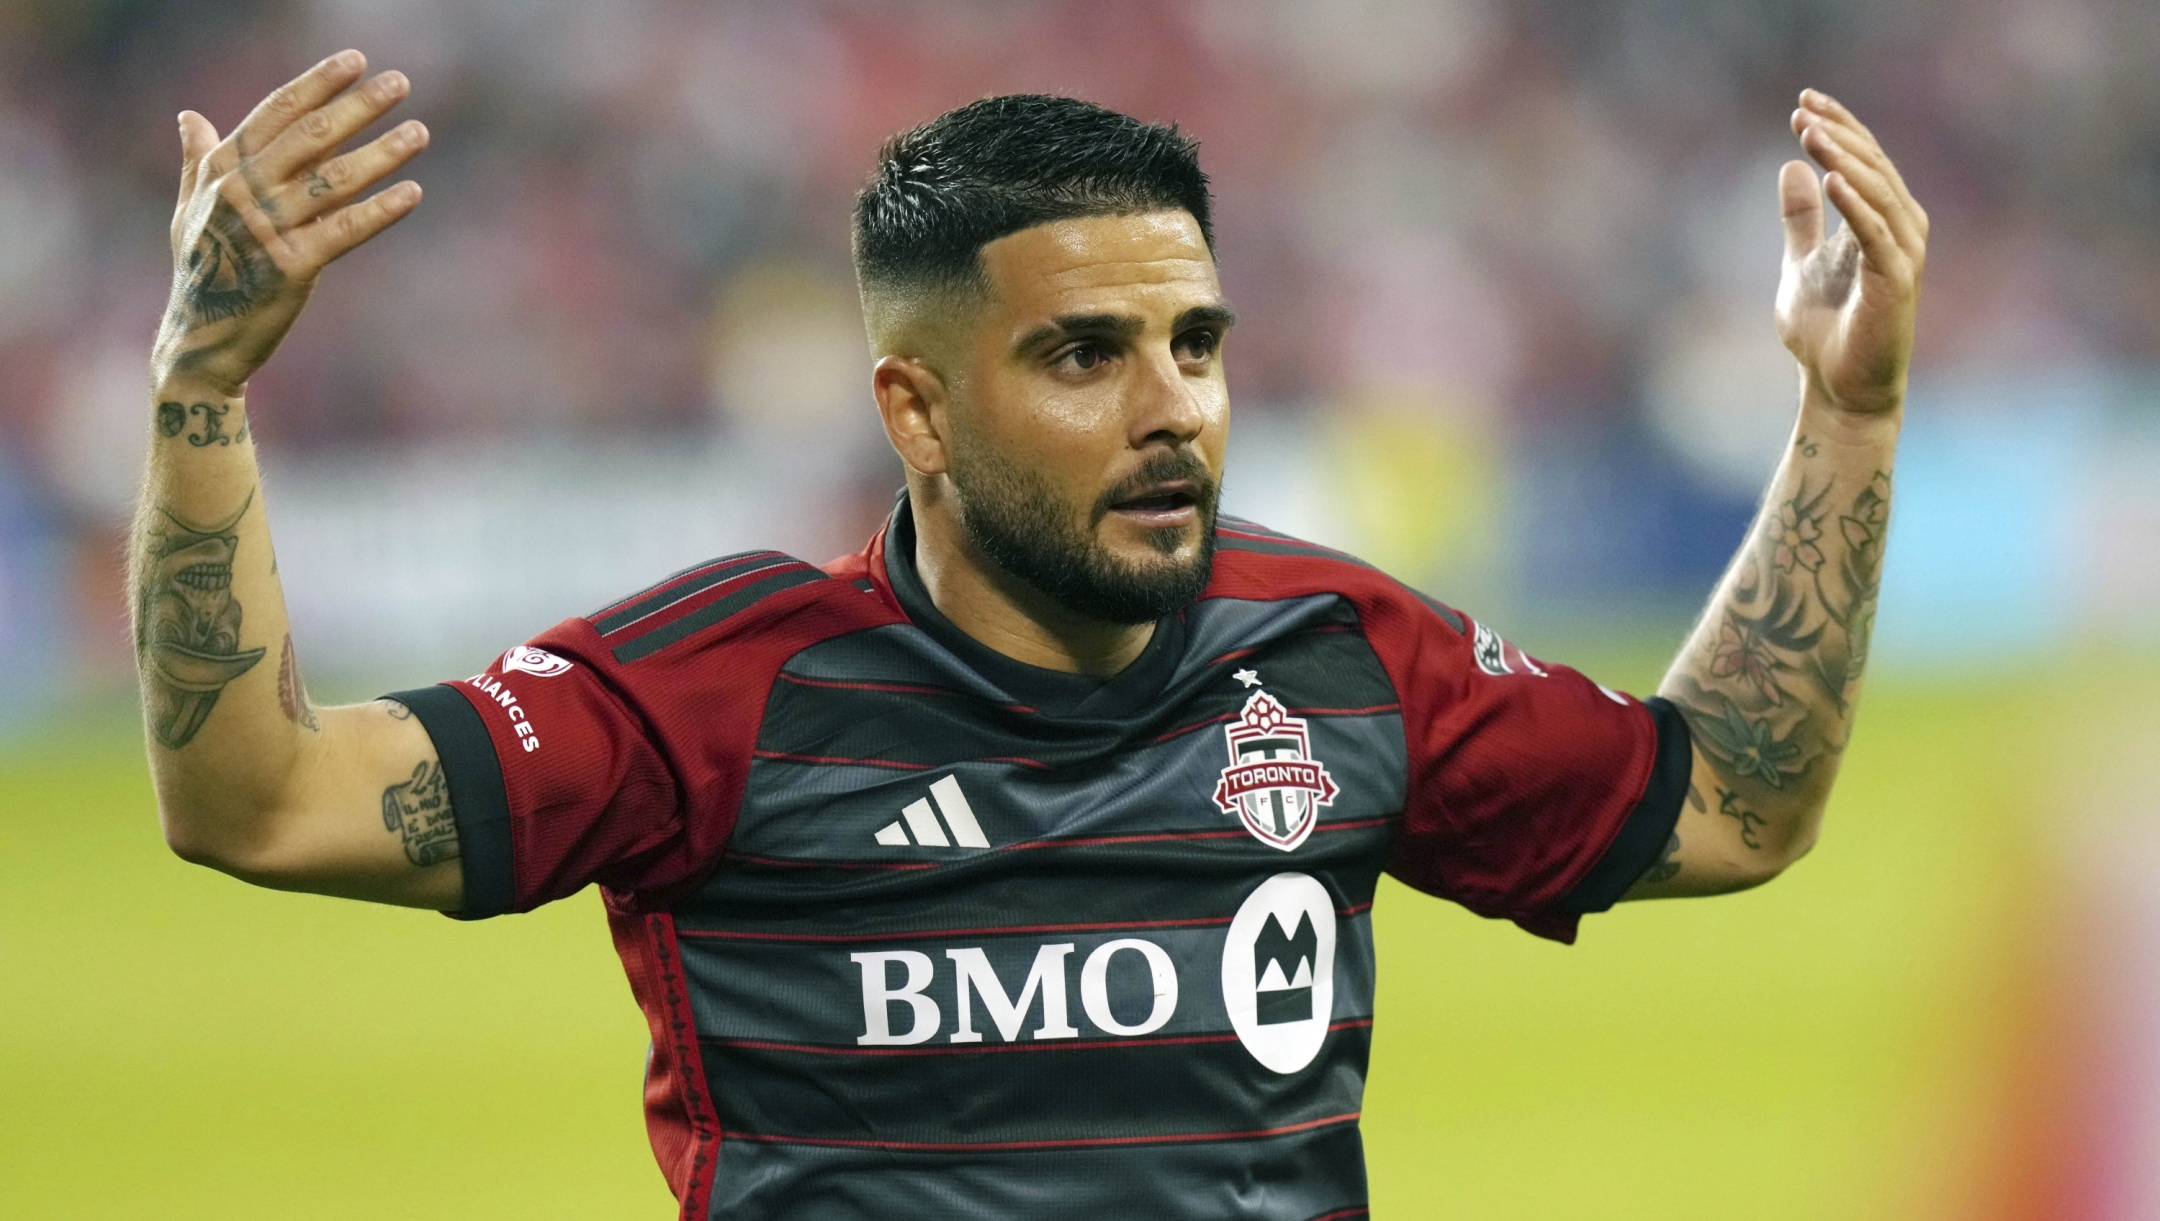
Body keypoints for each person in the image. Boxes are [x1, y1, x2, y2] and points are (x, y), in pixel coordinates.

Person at [136, 49, 1926, 1220]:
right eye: (1085, 354)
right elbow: (263, 798)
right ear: (917, 410)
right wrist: (202, 387)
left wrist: (1846, 414)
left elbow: (1734, 802)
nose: (1176, 410)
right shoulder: (717, 694)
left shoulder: (1341, 652)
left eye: (1198, 343)